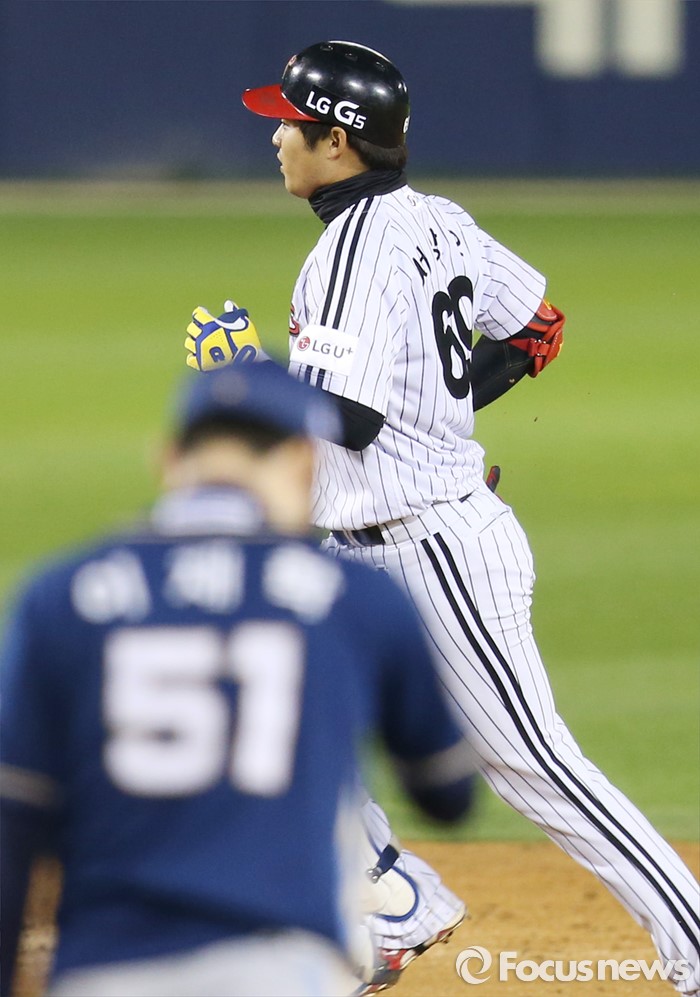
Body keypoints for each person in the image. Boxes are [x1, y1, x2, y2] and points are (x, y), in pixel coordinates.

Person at [183, 40, 700, 995]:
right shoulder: (437, 221)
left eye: (289, 123)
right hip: (366, 549)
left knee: (535, 765)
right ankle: (396, 895)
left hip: (430, 551)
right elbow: (537, 330)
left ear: (337, 142)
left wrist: (244, 374)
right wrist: (440, 419)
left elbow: (350, 417)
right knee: (259, 699)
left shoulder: (350, 252)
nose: (276, 138)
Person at [0, 361, 478, 997]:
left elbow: (15, 820)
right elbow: (448, 795)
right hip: (279, 967)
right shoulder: (353, 599)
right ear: (303, 462)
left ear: (168, 459)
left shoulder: (59, 598)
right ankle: (394, 896)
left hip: (108, 968)